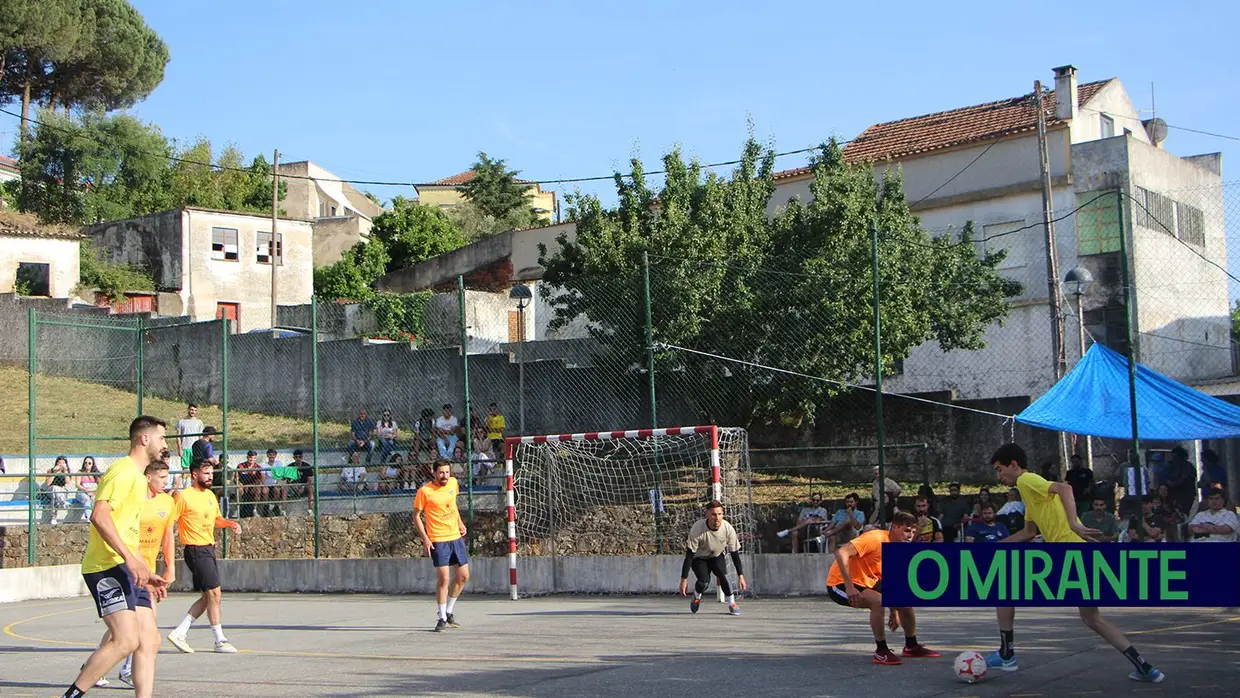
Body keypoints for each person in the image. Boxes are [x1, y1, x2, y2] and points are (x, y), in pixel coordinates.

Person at [986, 443, 1164, 683]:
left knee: (1003, 588)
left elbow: (1065, 488)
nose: (999, 476)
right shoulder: (1029, 493)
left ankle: (1007, 654)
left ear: (1014, 465)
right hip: (1080, 554)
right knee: (1092, 618)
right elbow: (1028, 532)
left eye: (1000, 469)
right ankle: (1145, 667)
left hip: (1068, 553)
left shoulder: (1027, 480)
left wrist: (1073, 522)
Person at [64, 416, 169, 698]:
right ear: (144, 439)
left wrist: (145, 570)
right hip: (107, 566)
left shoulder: (139, 478)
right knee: (125, 640)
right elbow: (99, 516)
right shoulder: (122, 472)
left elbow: (127, 531)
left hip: (128, 566)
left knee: (150, 639)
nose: (164, 444)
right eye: (161, 438)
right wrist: (130, 560)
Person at [95, 461, 176, 687]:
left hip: (148, 570)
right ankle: (106, 667)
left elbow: (168, 535)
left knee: (136, 629)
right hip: (129, 567)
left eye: (167, 477)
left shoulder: (167, 502)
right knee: (130, 628)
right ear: (148, 477)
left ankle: (109, 667)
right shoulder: (135, 499)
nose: (166, 482)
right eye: (161, 478)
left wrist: (170, 567)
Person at [825, 511, 940, 665]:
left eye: (913, 532)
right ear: (895, 527)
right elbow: (841, 552)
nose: (910, 536)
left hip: (868, 582)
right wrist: (849, 587)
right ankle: (881, 651)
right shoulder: (875, 538)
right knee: (878, 601)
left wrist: (894, 611)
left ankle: (911, 646)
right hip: (840, 583)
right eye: (906, 531)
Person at [167, 459, 242, 654]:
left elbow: (217, 519)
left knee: (209, 597)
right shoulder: (183, 496)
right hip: (195, 549)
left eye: (211, 473)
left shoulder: (210, 495)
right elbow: (169, 522)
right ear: (195, 475)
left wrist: (230, 524)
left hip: (208, 549)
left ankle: (179, 632)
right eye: (206, 473)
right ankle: (220, 640)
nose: (210, 477)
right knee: (215, 594)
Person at [414, 460, 470, 632]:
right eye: (441, 473)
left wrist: (460, 522)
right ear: (434, 473)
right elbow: (416, 516)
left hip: (455, 538)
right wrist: (425, 538)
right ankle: (441, 617)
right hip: (438, 539)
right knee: (444, 578)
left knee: (463, 576)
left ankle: (449, 611)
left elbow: (453, 504)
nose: (444, 476)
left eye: (447, 472)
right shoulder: (425, 491)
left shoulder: (453, 483)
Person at [679, 500, 748, 615]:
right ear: (707, 514)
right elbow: (689, 556)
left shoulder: (728, 528)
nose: (717, 518)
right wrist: (683, 580)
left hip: (716, 556)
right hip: (699, 558)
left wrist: (741, 576)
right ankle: (697, 596)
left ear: (723, 514)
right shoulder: (698, 528)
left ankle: (732, 603)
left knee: (723, 575)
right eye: (714, 515)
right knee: (704, 582)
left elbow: (735, 554)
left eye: (720, 514)